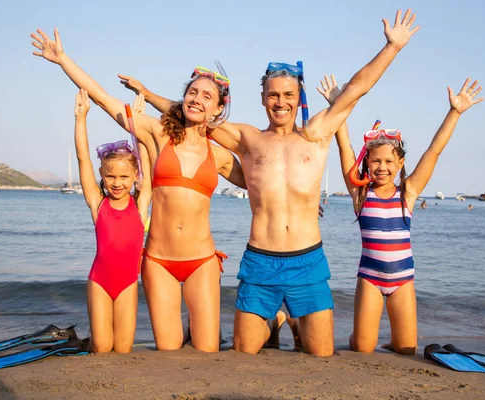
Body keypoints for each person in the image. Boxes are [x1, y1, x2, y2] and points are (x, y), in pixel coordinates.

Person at [123, 9, 420, 356]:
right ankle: (276, 319)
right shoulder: (248, 140)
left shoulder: (316, 136)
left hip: (307, 260)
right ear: (263, 98)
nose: (281, 101)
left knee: (321, 353)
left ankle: (287, 319)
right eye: (273, 94)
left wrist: (392, 48)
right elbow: (195, 113)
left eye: (288, 94)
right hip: (260, 260)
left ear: (298, 99)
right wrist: (149, 93)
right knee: (243, 351)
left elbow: (357, 89)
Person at [31, 29, 247, 352]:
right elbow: (104, 99)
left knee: (207, 352)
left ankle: (199, 327)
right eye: (192, 92)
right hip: (159, 260)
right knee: (169, 349)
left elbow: (260, 183)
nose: (197, 99)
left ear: (217, 110)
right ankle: (181, 330)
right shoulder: (158, 134)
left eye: (206, 96)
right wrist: (63, 60)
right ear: (183, 97)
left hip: (201, 259)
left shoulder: (219, 156)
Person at [319, 73, 483, 355]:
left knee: (407, 350)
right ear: (366, 163)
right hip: (370, 278)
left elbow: (434, 151)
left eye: (388, 161)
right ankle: (357, 336)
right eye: (375, 161)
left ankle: (394, 341)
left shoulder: (407, 193)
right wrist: (338, 105)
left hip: (402, 280)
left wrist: (454, 112)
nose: (382, 167)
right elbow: (343, 146)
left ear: (400, 163)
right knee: (362, 348)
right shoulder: (360, 194)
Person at [74, 89, 151, 353]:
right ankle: (92, 338)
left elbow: (146, 159)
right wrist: (81, 119)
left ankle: (91, 337)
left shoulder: (141, 205)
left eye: (124, 177)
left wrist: (138, 122)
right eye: (110, 177)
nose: (117, 183)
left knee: (123, 349)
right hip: (99, 282)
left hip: (128, 283)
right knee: (103, 348)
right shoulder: (98, 204)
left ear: (134, 177)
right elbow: (83, 159)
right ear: (102, 176)